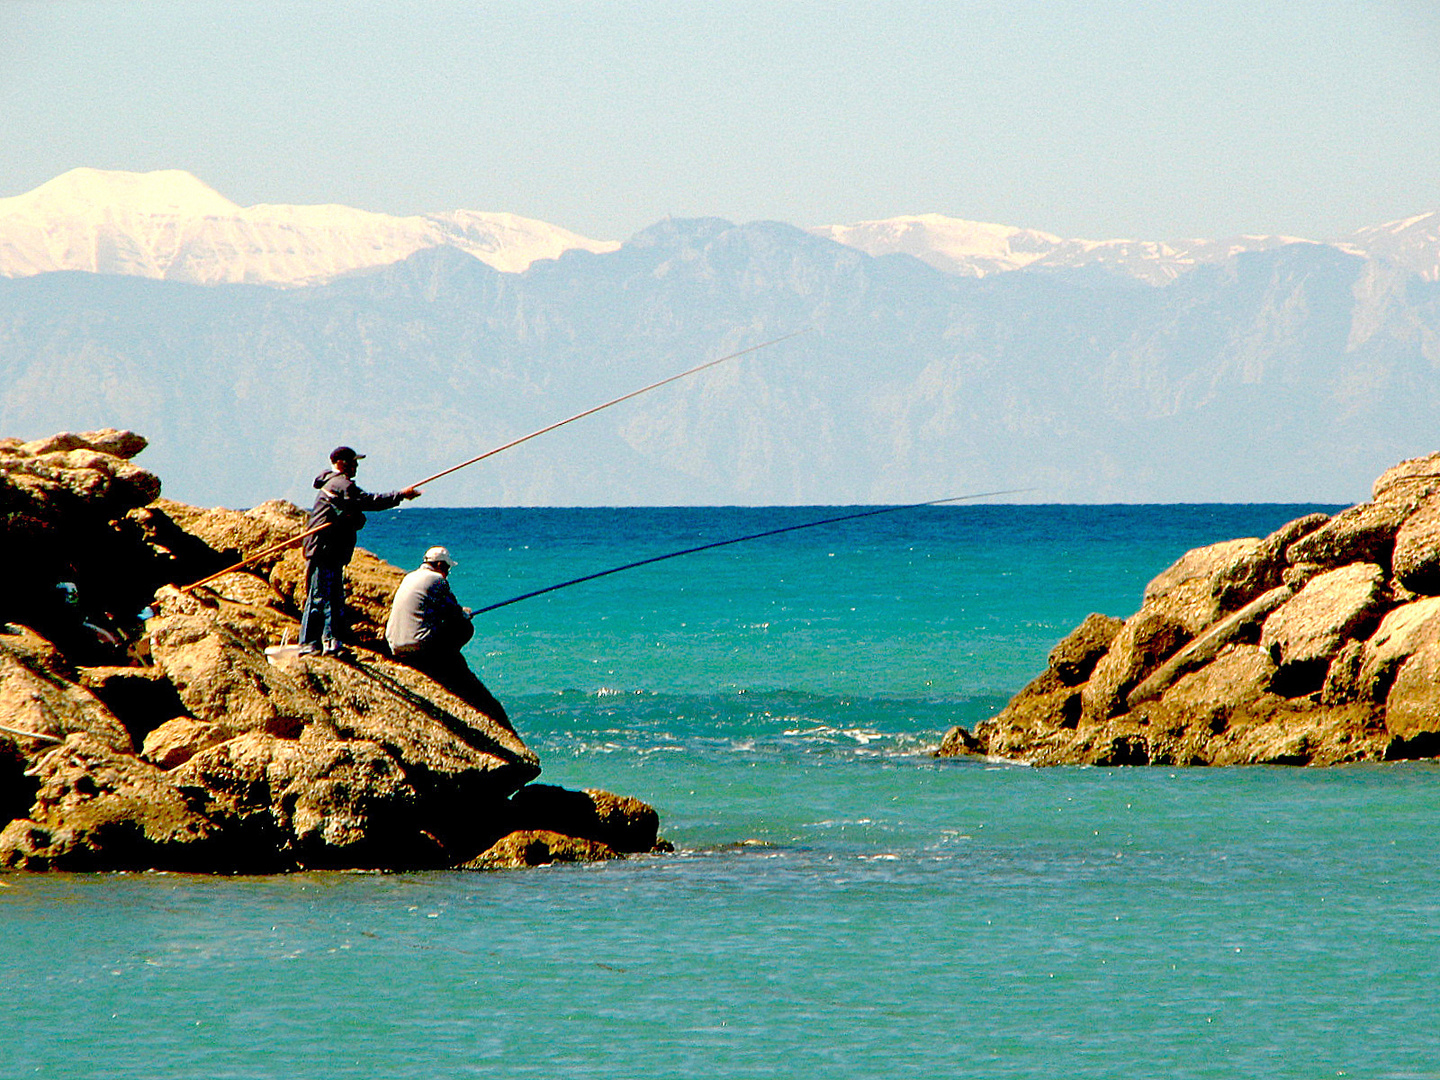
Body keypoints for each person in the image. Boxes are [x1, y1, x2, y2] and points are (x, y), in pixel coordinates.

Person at [300, 445, 419, 657]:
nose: (356, 466)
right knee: (320, 596)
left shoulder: (334, 484)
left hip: (330, 549)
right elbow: (368, 501)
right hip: (324, 549)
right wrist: (400, 495)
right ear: (341, 463)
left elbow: (355, 511)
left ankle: (331, 642)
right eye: (353, 462)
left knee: (334, 596)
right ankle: (310, 643)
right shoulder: (340, 484)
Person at [385, 546, 509, 722]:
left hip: (395, 645)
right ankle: (445, 661)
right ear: (440, 565)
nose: (448, 572)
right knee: (465, 627)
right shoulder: (437, 580)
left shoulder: (409, 577)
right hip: (418, 647)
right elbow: (453, 612)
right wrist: (465, 614)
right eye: (447, 568)